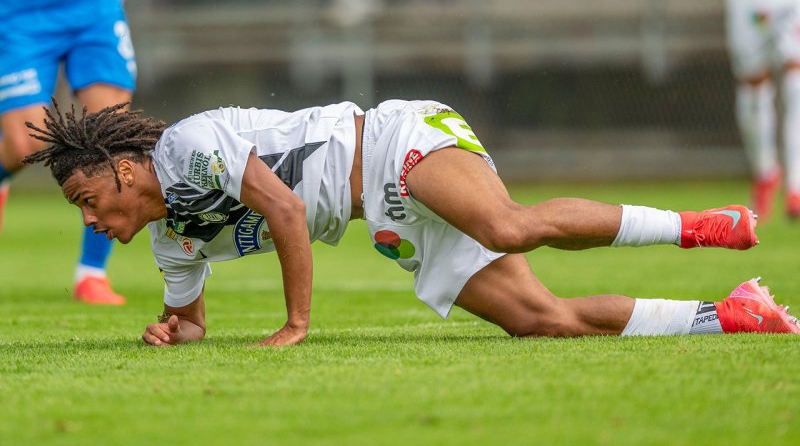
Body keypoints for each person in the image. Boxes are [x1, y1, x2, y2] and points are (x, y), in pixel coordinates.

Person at [23, 99, 800, 347]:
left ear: (123, 172)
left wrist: (297, 322)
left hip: (393, 142)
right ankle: (732, 315)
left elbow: (286, 209)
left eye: (87, 200)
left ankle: (701, 225)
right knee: (542, 321)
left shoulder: (190, 148)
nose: (92, 219)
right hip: (385, 216)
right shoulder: (173, 237)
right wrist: (173, 333)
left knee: (505, 225)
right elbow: (189, 319)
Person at [0, 0, 137, 304]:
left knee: (110, 138)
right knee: (26, 144)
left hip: (93, 10)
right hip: (18, 13)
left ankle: (92, 273)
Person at [726, 0, 800, 219]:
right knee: (753, 82)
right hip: (748, 3)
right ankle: (765, 172)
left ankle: (796, 185)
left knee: (796, 78)